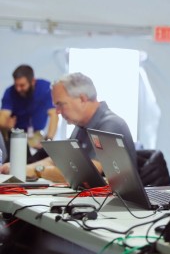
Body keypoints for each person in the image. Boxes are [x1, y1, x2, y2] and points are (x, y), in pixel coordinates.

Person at [0, 72, 136, 183]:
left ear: (82, 99)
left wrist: (38, 171)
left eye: (60, 104)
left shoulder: (110, 125)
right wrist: (19, 168)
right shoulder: (81, 125)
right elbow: (59, 160)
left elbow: (83, 175)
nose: (57, 111)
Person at [0, 65, 59, 163]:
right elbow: (3, 117)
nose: (18, 89)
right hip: (17, 136)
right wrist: (6, 125)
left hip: (37, 135)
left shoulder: (45, 89)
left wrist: (48, 140)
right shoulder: (10, 92)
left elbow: (54, 115)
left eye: (22, 85)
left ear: (32, 81)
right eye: (16, 85)